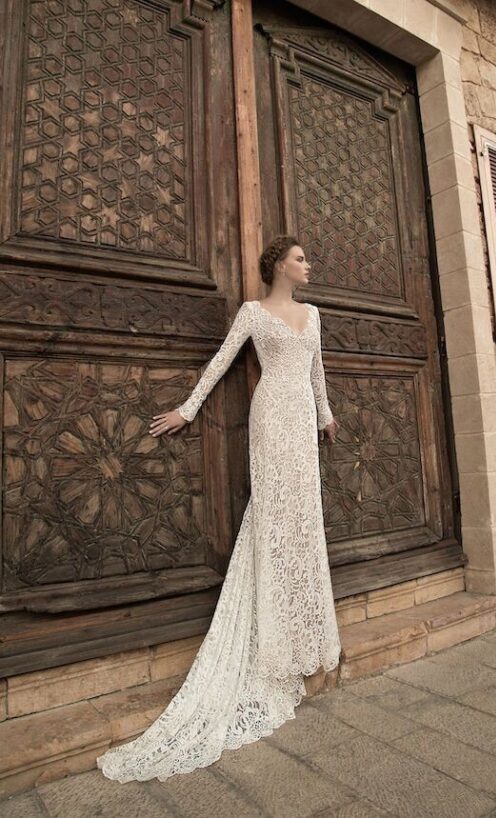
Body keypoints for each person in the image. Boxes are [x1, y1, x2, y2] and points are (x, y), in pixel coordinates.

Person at [96, 235, 341, 782]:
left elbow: (317, 371)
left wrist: (325, 414)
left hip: (301, 416)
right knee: (274, 518)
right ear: (279, 265)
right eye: (301, 258)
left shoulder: (314, 313)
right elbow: (220, 362)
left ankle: (300, 636)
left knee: (302, 521)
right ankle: (271, 644)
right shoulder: (253, 313)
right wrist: (188, 408)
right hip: (271, 414)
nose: (309, 265)